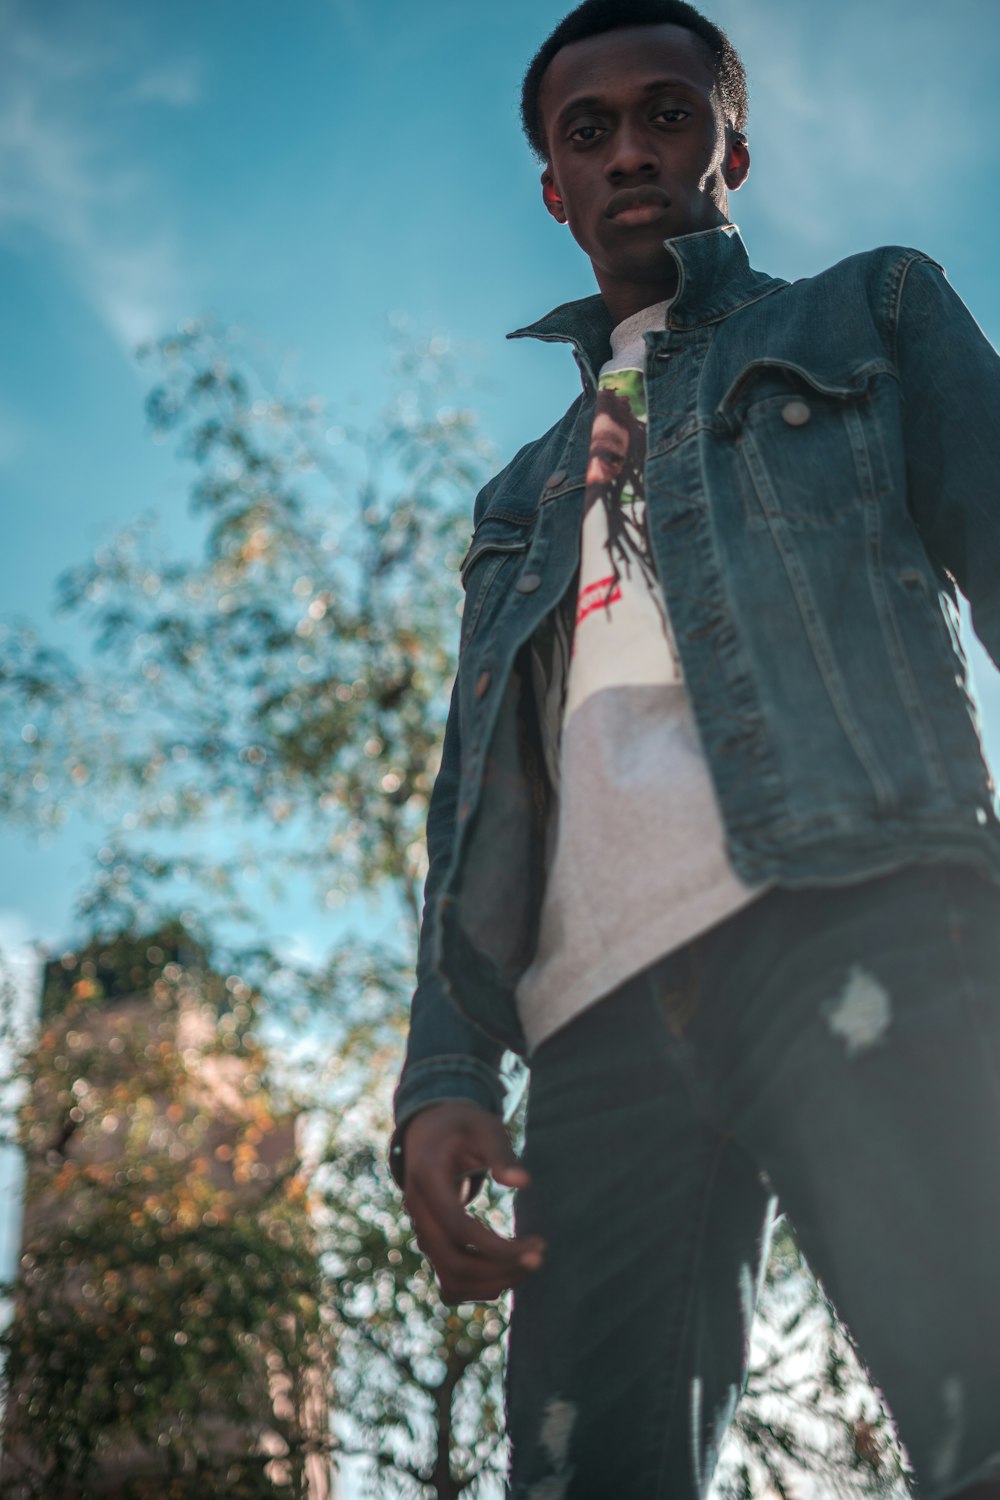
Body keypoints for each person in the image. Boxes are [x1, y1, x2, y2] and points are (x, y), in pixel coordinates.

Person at [389, 2, 1000, 1495]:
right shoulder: (518, 497)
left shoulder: (871, 313)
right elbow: (481, 791)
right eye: (584, 132)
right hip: (591, 1027)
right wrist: (447, 1065)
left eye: (666, 113)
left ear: (732, 143)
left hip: (863, 911)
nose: (628, 151)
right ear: (552, 185)